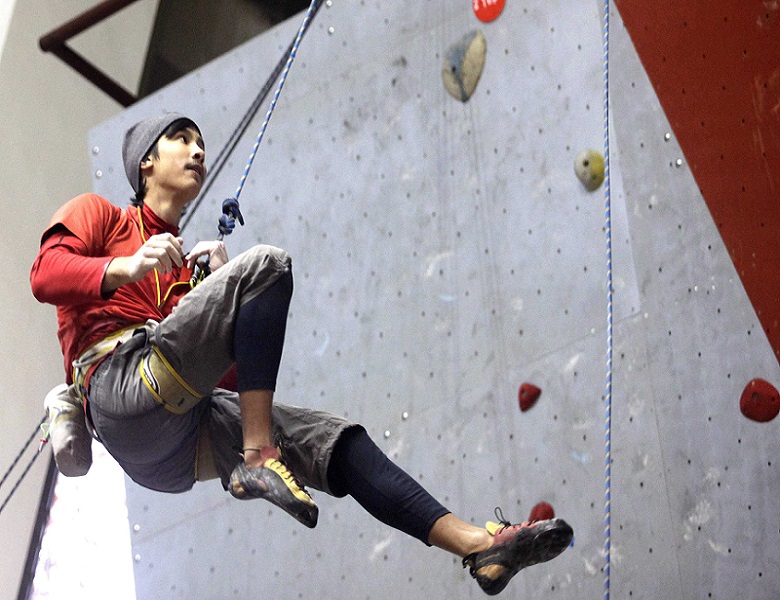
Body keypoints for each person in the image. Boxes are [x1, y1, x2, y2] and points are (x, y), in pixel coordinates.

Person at [30, 113, 573, 595]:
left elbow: (233, 381)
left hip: (171, 445)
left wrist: (220, 284)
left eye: (202, 144)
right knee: (267, 264)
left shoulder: (184, 272)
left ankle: (480, 547)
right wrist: (129, 267)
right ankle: (258, 458)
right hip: (118, 386)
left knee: (332, 441)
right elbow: (45, 274)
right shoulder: (101, 215)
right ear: (146, 162)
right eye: (182, 139)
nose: (198, 151)